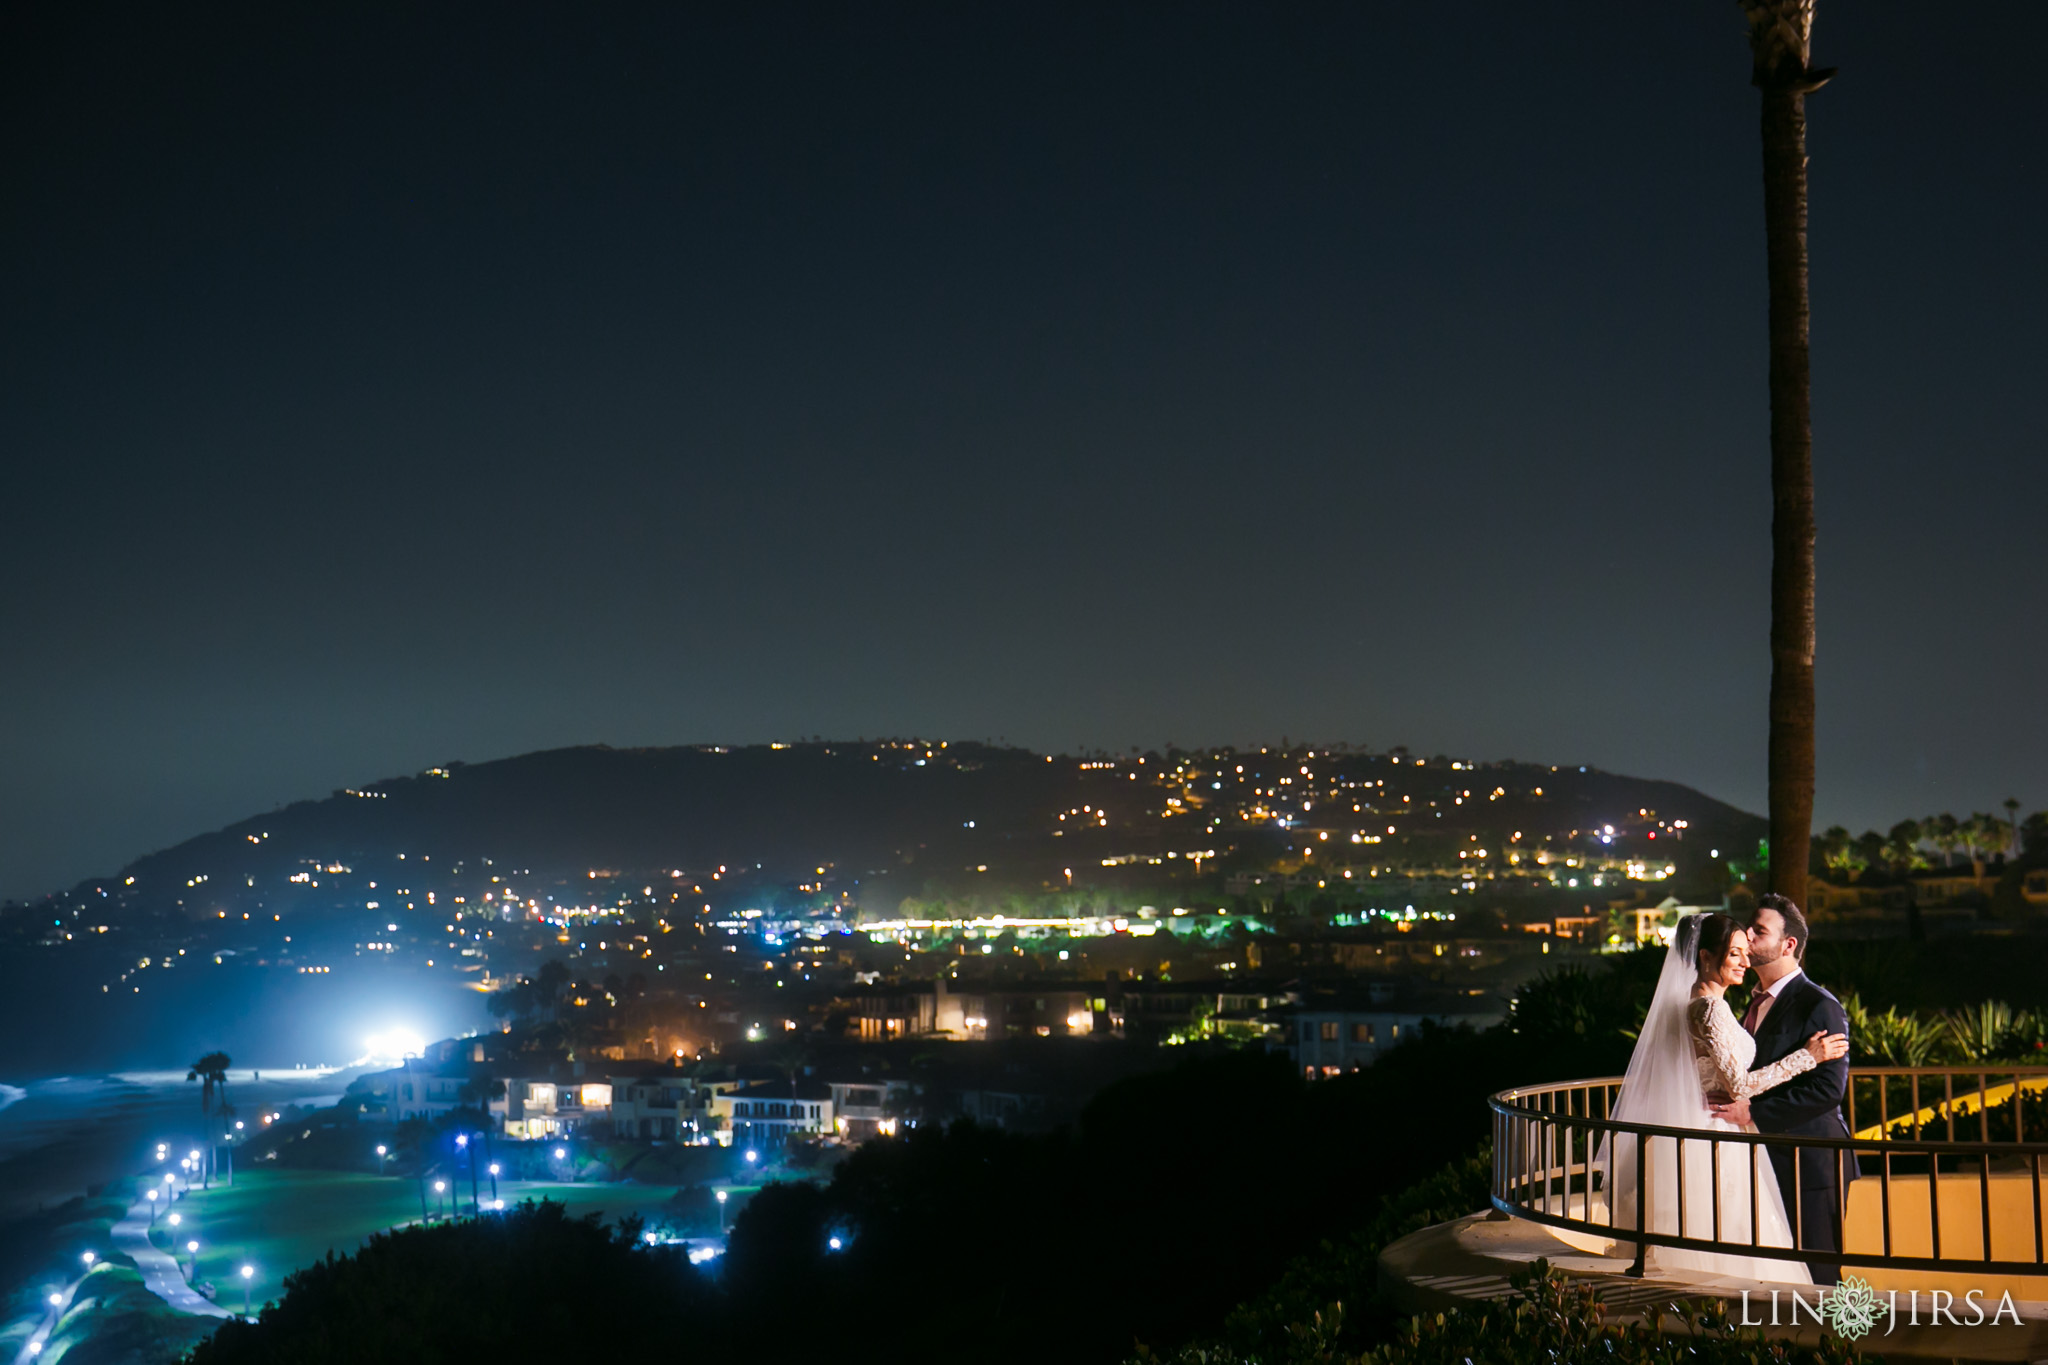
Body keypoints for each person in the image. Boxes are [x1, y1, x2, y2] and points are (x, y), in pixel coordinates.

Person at [1599, 911, 1844, 1283]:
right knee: (1733, 1236)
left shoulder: (1702, 1003)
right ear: (1705, 957)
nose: (1746, 961)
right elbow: (1740, 1086)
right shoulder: (1709, 1009)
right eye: (1735, 954)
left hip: (1709, 1125)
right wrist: (1807, 1057)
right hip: (1718, 1132)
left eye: (1746, 951)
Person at [1708, 894, 1857, 1285]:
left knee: (1818, 1274)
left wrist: (1752, 1113)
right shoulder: (1752, 1003)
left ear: (1788, 944)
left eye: (1760, 931)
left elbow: (1827, 1091)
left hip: (1809, 1159)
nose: (1749, 937)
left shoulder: (1818, 1004)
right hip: (1765, 1157)